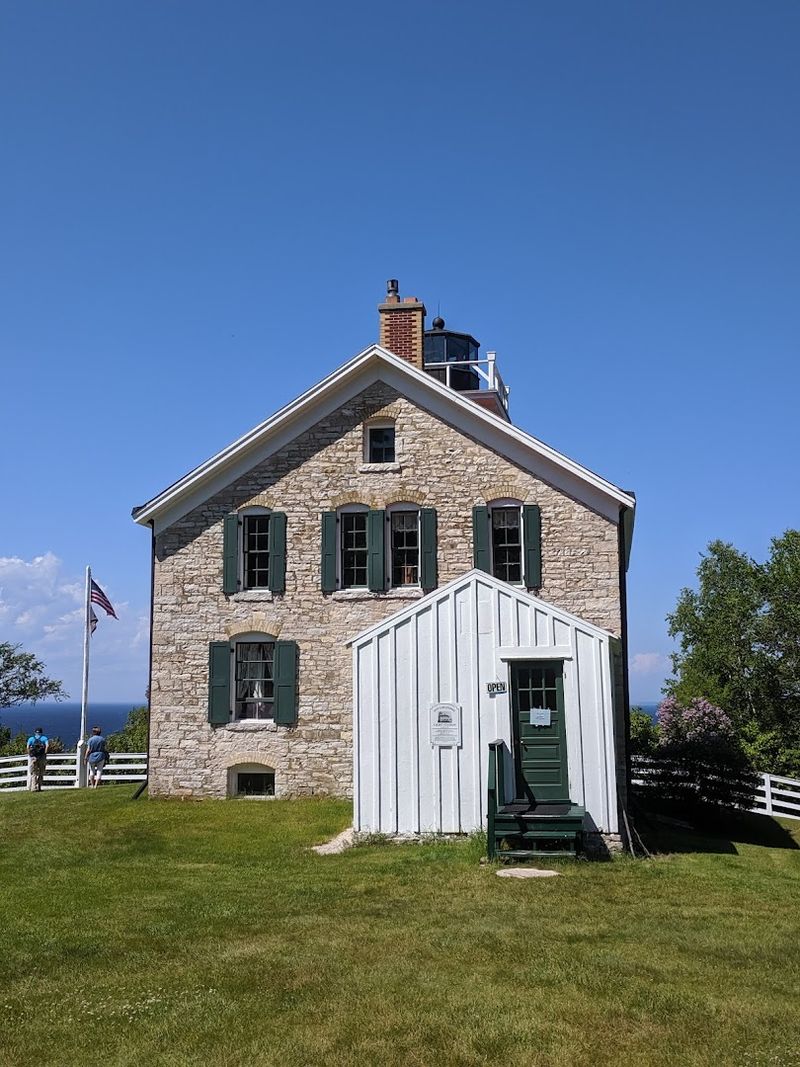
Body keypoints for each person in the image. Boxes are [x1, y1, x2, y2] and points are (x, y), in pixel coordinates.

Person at [26, 727, 49, 792]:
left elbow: (27, 747)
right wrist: (45, 753)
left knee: (34, 773)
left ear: (35, 732)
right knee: (41, 772)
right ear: (41, 732)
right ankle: (39, 787)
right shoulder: (44, 738)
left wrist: (30, 754)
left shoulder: (31, 738)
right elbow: (47, 746)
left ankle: (33, 787)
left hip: (33, 757)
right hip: (41, 757)